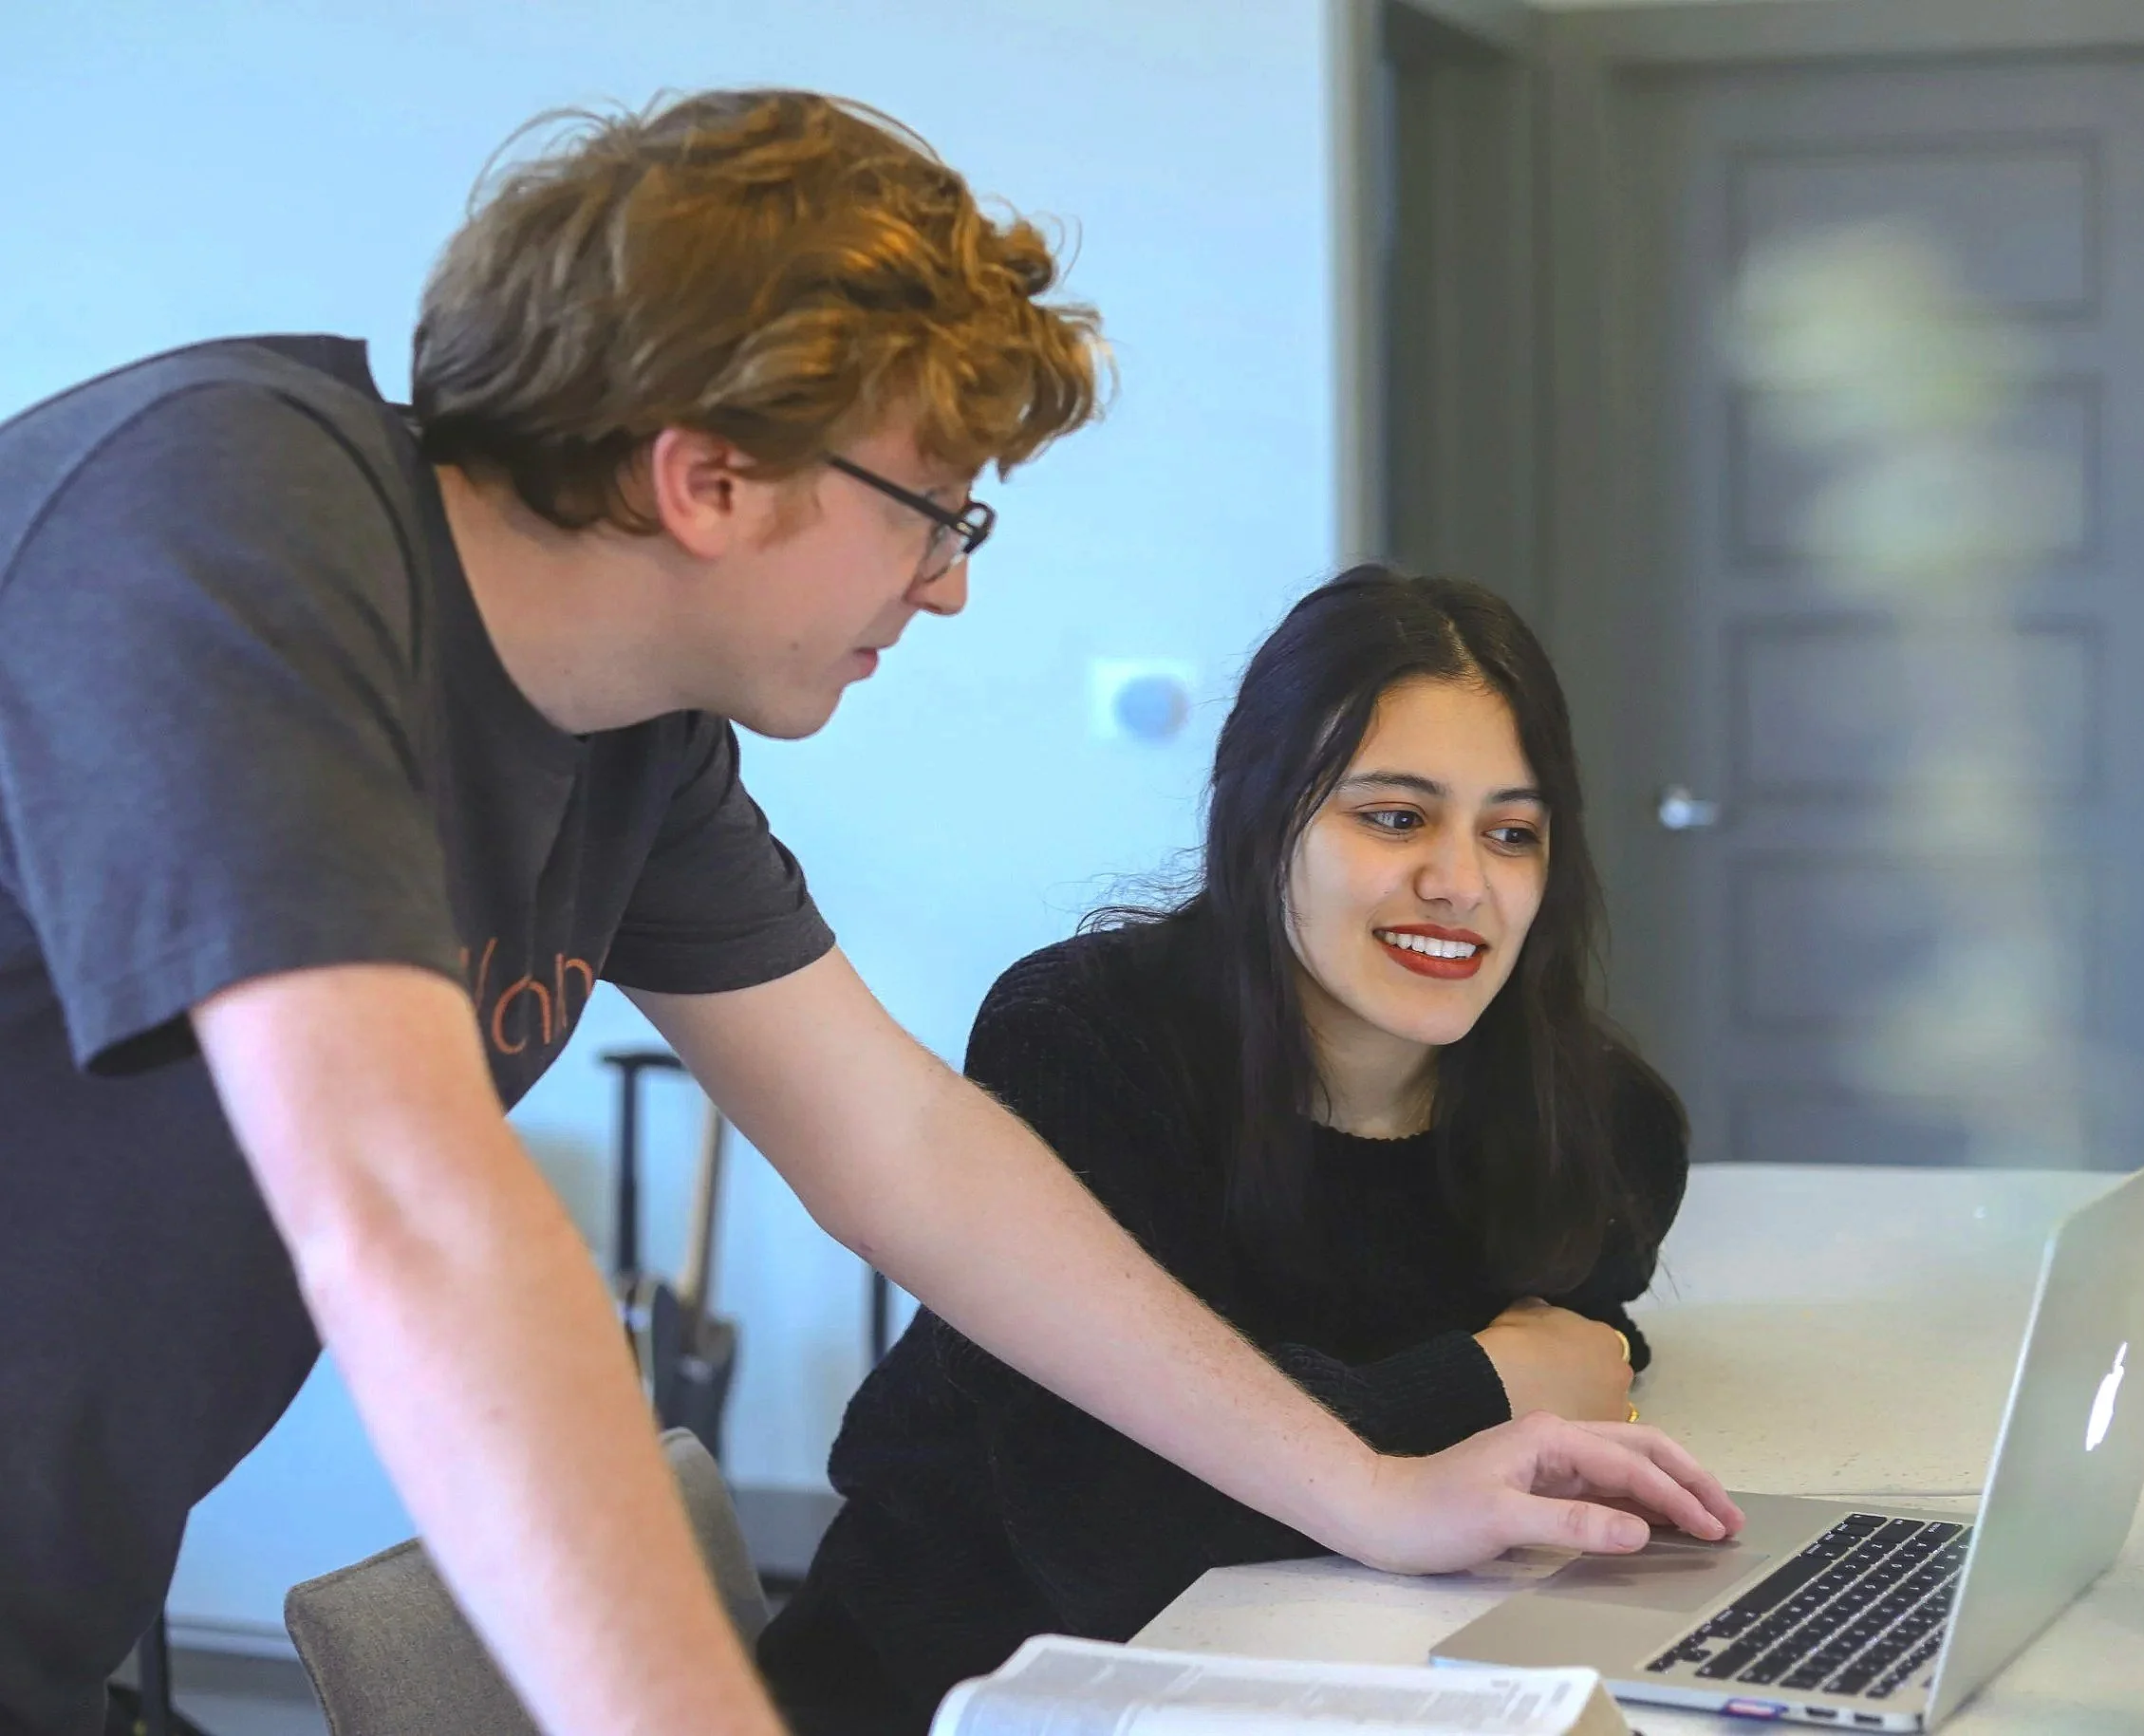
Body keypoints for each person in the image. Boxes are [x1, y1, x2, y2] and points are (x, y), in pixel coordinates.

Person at [0, 93, 1738, 1736]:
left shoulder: (635, 741)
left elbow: (903, 1142)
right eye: (934, 507)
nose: (951, 578)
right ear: (708, 477)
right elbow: (413, 1207)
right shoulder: (220, 521)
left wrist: (1368, 1481)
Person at [760, 567, 1713, 1732]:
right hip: (956, 1684)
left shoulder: (1602, 1119)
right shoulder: (1080, 1043)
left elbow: (1585, 1360)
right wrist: (1480, 1380)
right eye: (1396, 816)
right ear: (1262, 820)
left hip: (1326, 1681)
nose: (1461, 883)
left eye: (1511, 832)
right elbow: (1114, 1535)